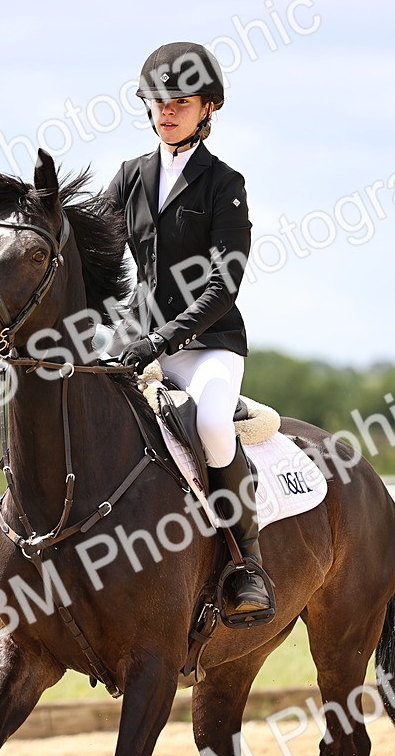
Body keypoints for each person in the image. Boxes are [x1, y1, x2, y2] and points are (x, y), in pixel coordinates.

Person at [105, 42, 273, 625]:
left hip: (209, 347)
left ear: (208, 108)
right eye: (158, 101)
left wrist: (161, 339)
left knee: (208, 424)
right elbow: (96, 255)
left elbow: (224, 284)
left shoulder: (223, 183)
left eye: (180, 102)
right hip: (138, 342)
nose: (166, 111)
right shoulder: (130, 177)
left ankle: (245, 561)